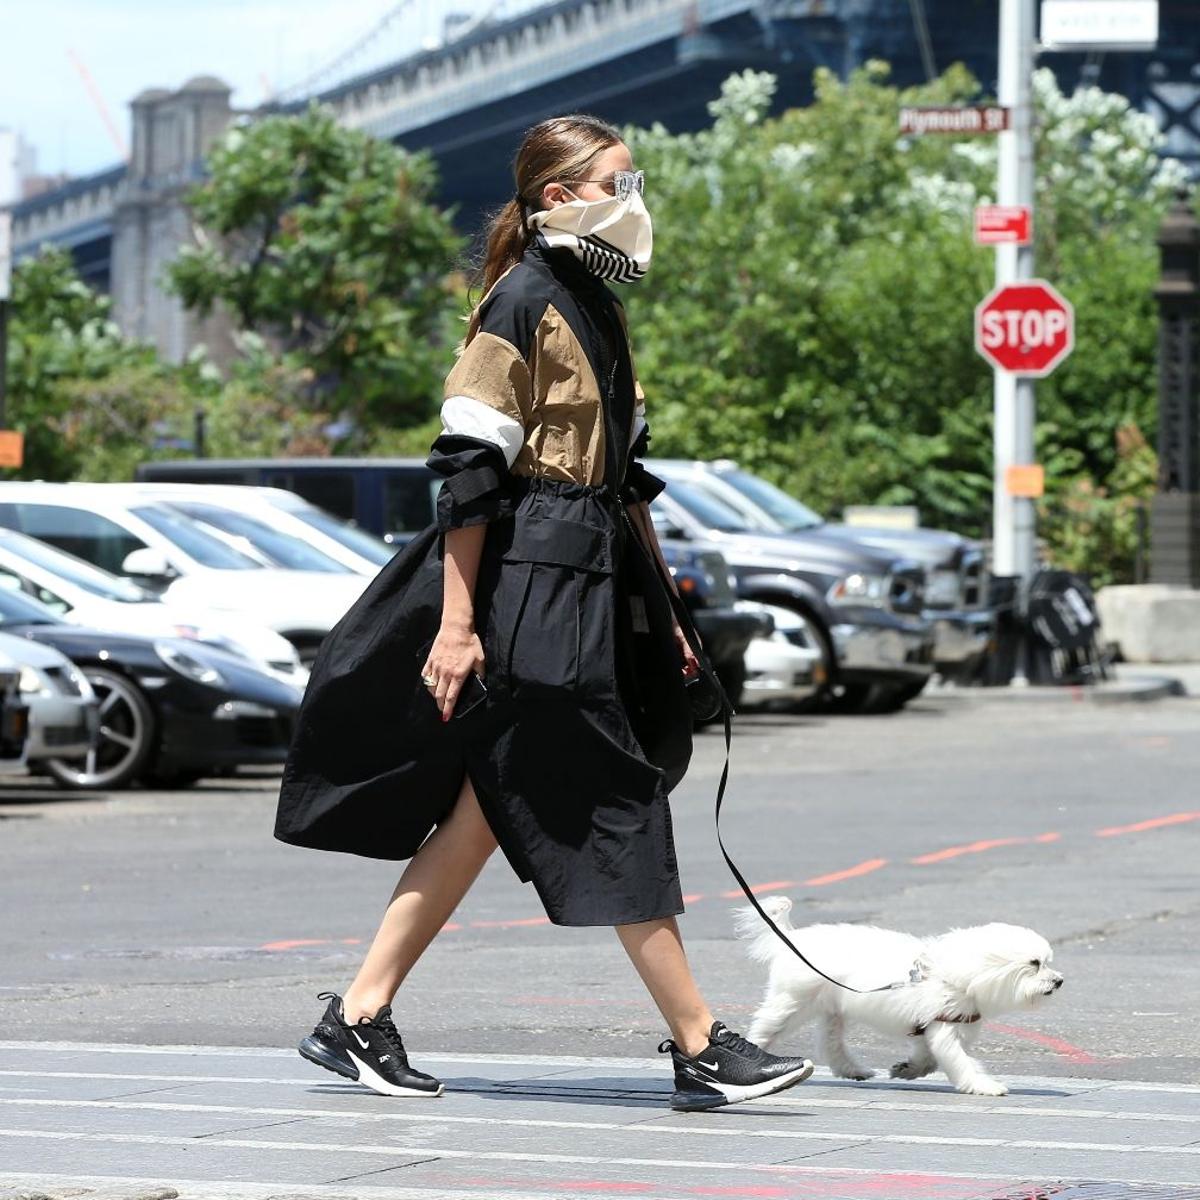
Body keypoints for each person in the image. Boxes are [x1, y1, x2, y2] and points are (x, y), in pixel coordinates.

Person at [273, 112, 814, 1112]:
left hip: (588, 576)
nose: (632, 196)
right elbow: (469, 477)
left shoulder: (595, 306)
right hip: (533, 585)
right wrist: (457, 621)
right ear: (556, 197)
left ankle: (355, 1018)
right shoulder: (519, 303)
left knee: (484, 814)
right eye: (615, 178)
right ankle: (699, 1045)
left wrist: (670, 612)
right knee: (617, 792)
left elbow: (626, 482)